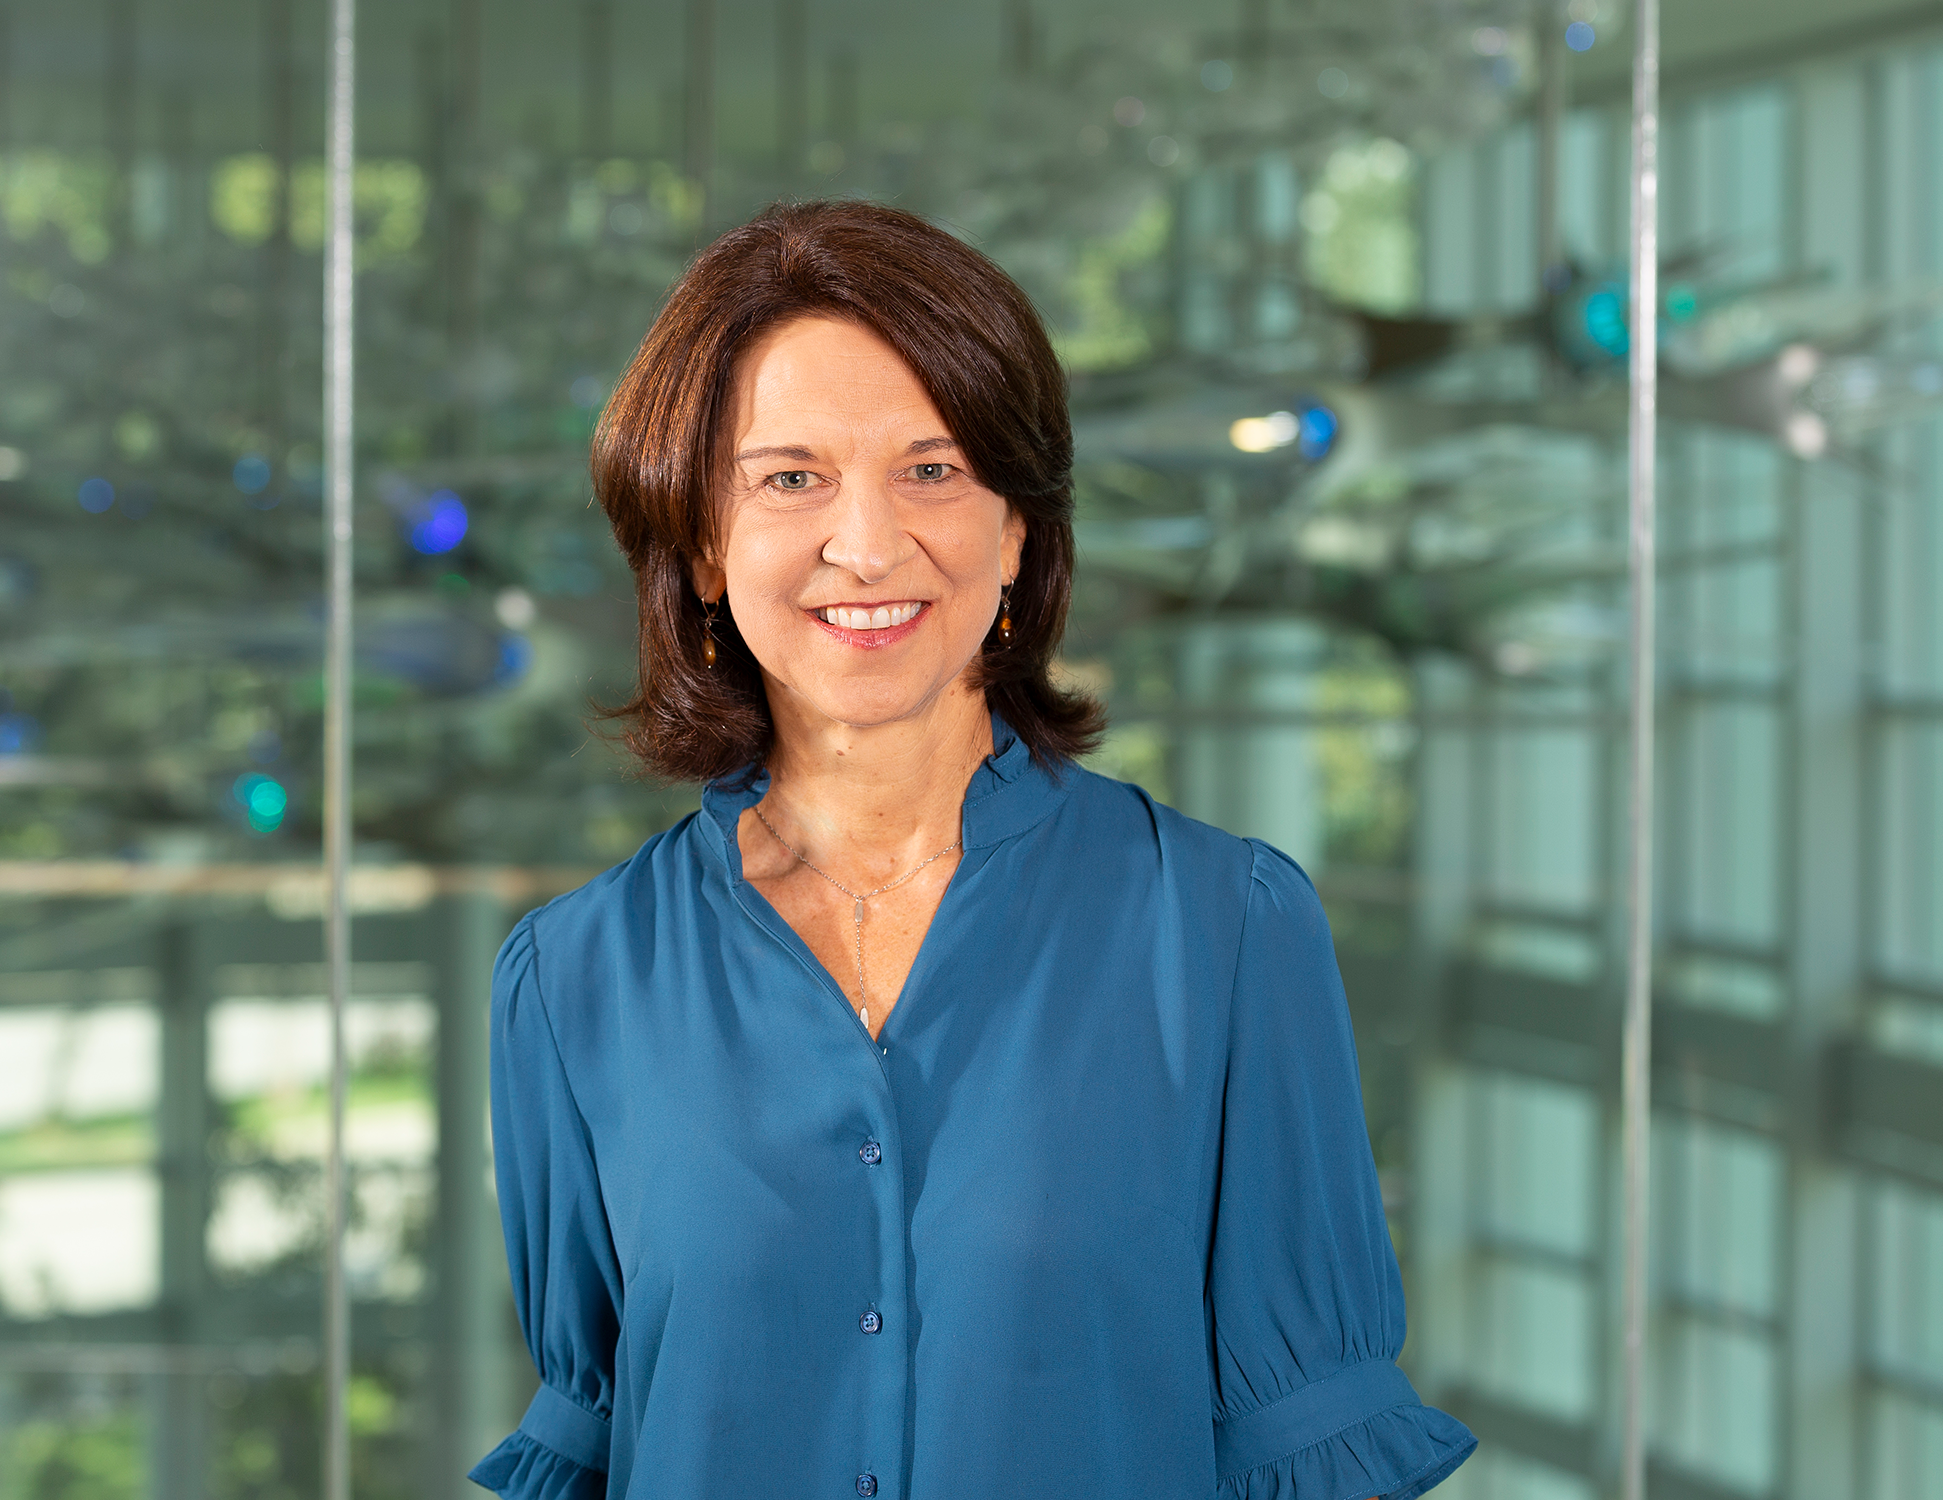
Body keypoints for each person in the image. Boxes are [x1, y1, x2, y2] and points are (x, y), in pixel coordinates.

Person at [470, 200, 1475, 1500]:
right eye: (790, 478)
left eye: (932, 469)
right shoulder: (570, 982)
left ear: (1016, 531)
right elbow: (598, 1440)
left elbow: (1311, 1445)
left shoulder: (1223, 930)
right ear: (704, 546)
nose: (869, 543)